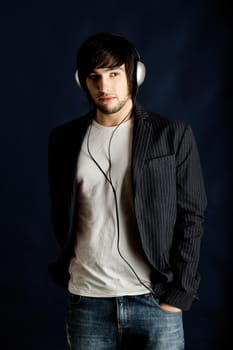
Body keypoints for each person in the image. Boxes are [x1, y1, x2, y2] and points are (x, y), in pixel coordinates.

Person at [48, 32, 207, 350]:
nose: (104, 87)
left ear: (135, 75)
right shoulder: (63, 139)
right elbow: (62, 213)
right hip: (87, 301)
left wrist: (179, 294)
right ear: (83, 82)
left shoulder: (171, 135)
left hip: (154, 300)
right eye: (94, 77)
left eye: (114, 74)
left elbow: (192, 215)